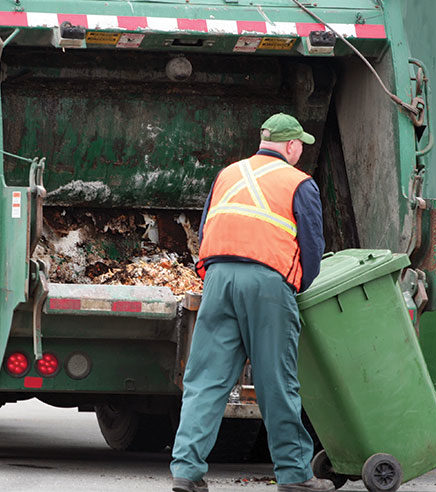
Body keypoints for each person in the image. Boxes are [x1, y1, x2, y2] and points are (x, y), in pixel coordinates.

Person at [170, 114, 331, 492]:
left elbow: (206, 227)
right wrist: (297, 286)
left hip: (219, 278)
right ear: (292, 146)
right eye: (301, 145)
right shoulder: (299, 182)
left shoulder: (228, 174)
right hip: (267, 284)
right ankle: (294, 475)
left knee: (205, 381)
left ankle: (186, 472)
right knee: (276, 382)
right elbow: (312, 248)